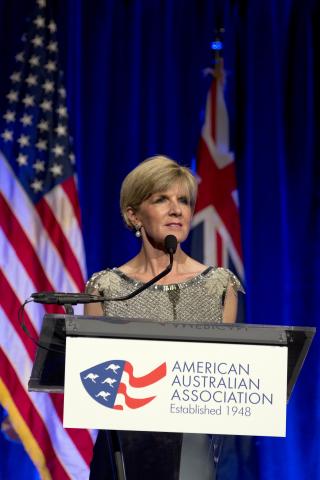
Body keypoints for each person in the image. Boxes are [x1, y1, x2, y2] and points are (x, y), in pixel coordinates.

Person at [85, 155, 244, 480]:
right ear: (134, 214)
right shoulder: (105, 288)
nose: (177, 210)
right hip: (121, 450)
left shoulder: (218, 285)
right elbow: (95, 380)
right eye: (161, 199)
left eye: (183, 201)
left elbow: (223, 374)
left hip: (191, 447)